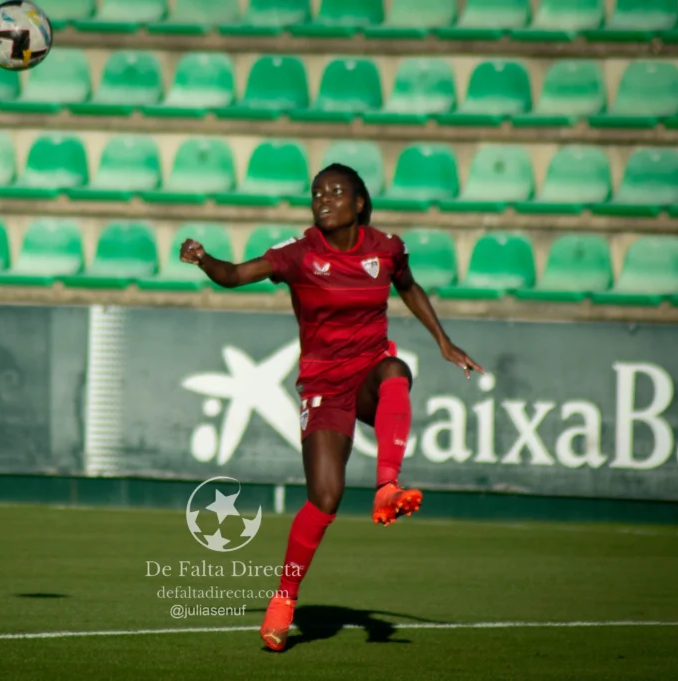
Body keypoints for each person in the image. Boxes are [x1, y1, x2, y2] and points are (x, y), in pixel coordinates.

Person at [179, 163, 484, 652]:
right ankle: (285, 597)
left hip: (367, 372)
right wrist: (203, 259)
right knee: (325, 497)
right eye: (316, 192)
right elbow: (235, 275)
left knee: (397, 371)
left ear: (359, 203)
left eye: (335, 191)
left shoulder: (386, 249)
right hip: (323, 386)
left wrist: (444, 342)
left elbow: (407, 285)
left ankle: (388, 485)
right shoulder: (299, 255)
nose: (322, 199)